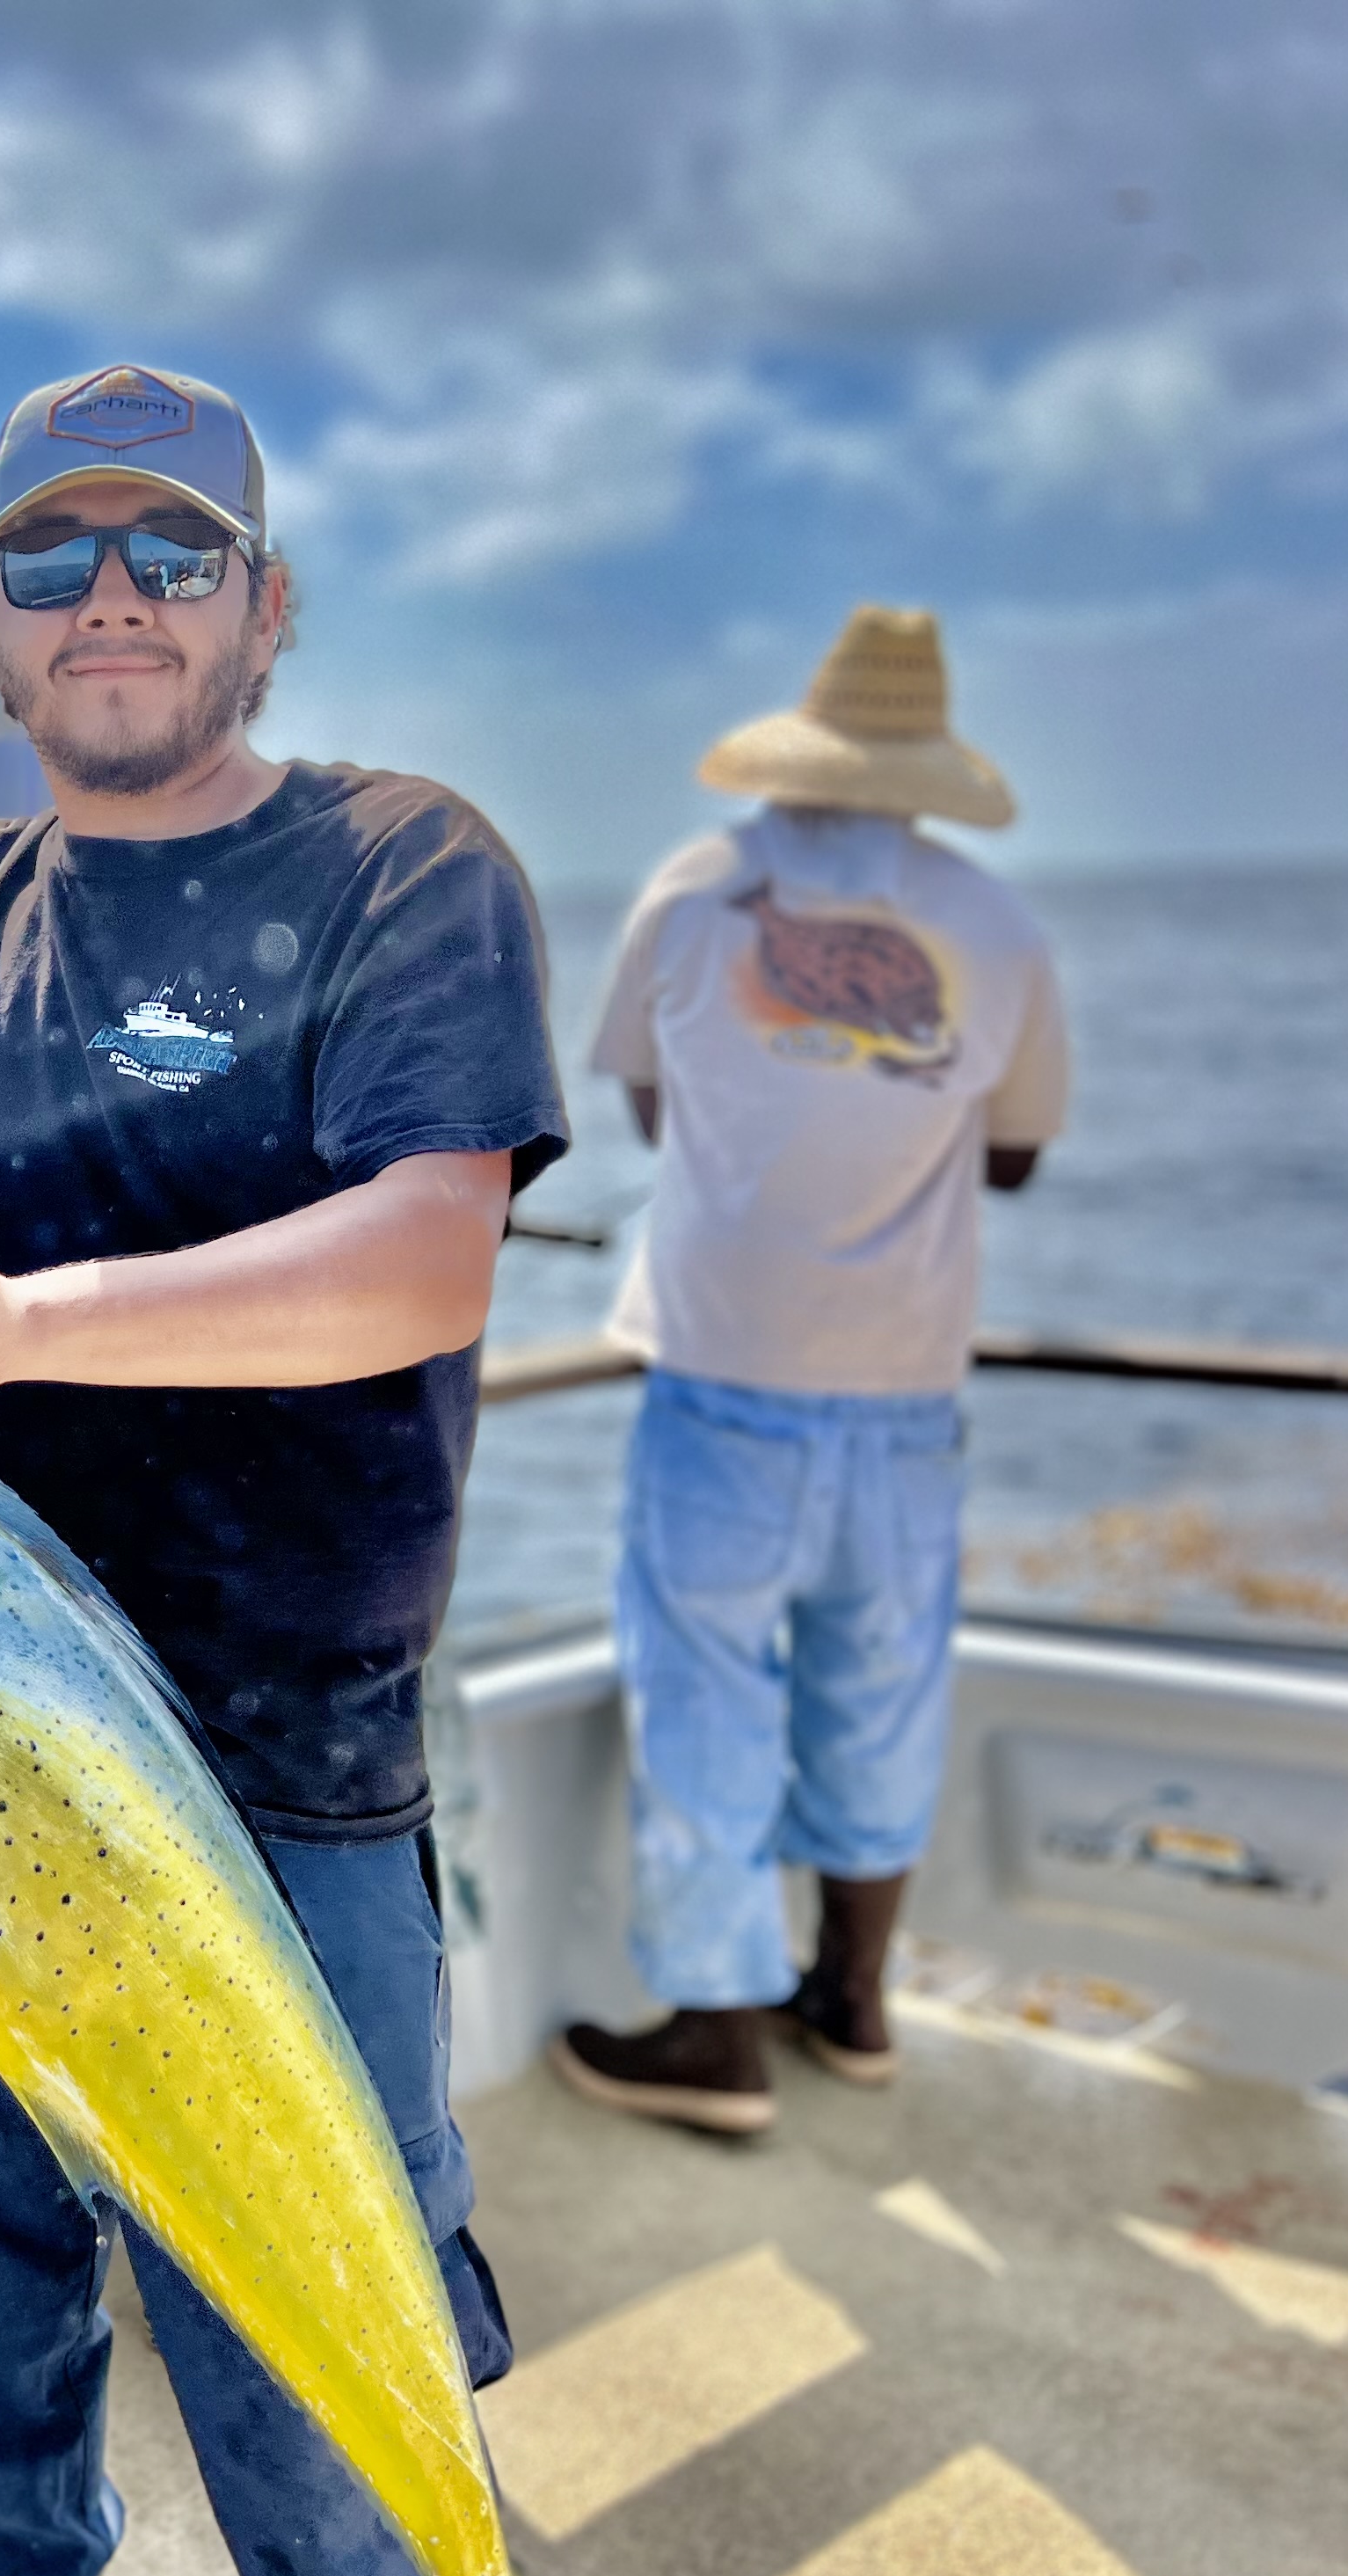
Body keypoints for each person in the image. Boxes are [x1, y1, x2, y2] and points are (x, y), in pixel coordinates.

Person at [0, 364, 565, 2576]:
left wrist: (18, 1316)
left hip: (284, 1794)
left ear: (264, 611)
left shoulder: (404, 866)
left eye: (173, 554)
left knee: (333, 2415)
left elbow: (428, 1253)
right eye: (55, 560)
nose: (115, 600)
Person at [550, 607, 1071, 2135]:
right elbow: (1024, 1154)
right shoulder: (996, 924)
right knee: (882, 1681)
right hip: (910, 1391)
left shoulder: (695, 890)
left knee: (704, 1688)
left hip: (720, 1371)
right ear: (926, 766)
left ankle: (717, 2030)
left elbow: (646, 1101)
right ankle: (851, 2001)